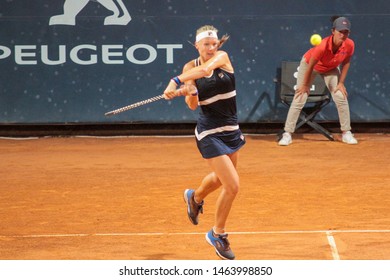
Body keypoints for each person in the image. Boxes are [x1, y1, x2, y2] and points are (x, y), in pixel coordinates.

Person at [163, 25, 245, 260]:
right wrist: (189, 91)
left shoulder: (221, 58)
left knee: (221, 180)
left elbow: (206, 70)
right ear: (196, 45)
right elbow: (192, 105)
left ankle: (195, 197)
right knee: (233, 186)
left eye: (214, 43)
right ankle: (217, 234)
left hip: (231, 130)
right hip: (209, 133)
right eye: (206, 44)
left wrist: (175, 81)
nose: (211, 48)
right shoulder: (190, 67)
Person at [278, 16, 358, 146]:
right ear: (333, 31)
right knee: (300, 96)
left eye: (346, 32)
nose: (343, 35)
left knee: (340, 95)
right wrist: (305, 85)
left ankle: (346, 133)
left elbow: (346, 62)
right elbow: (310, 66)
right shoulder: (322, 46)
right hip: (311, 65)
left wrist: (341, 83)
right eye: (340, 31)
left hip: (330, 68)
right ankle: (287, 134)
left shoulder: (350, 44)